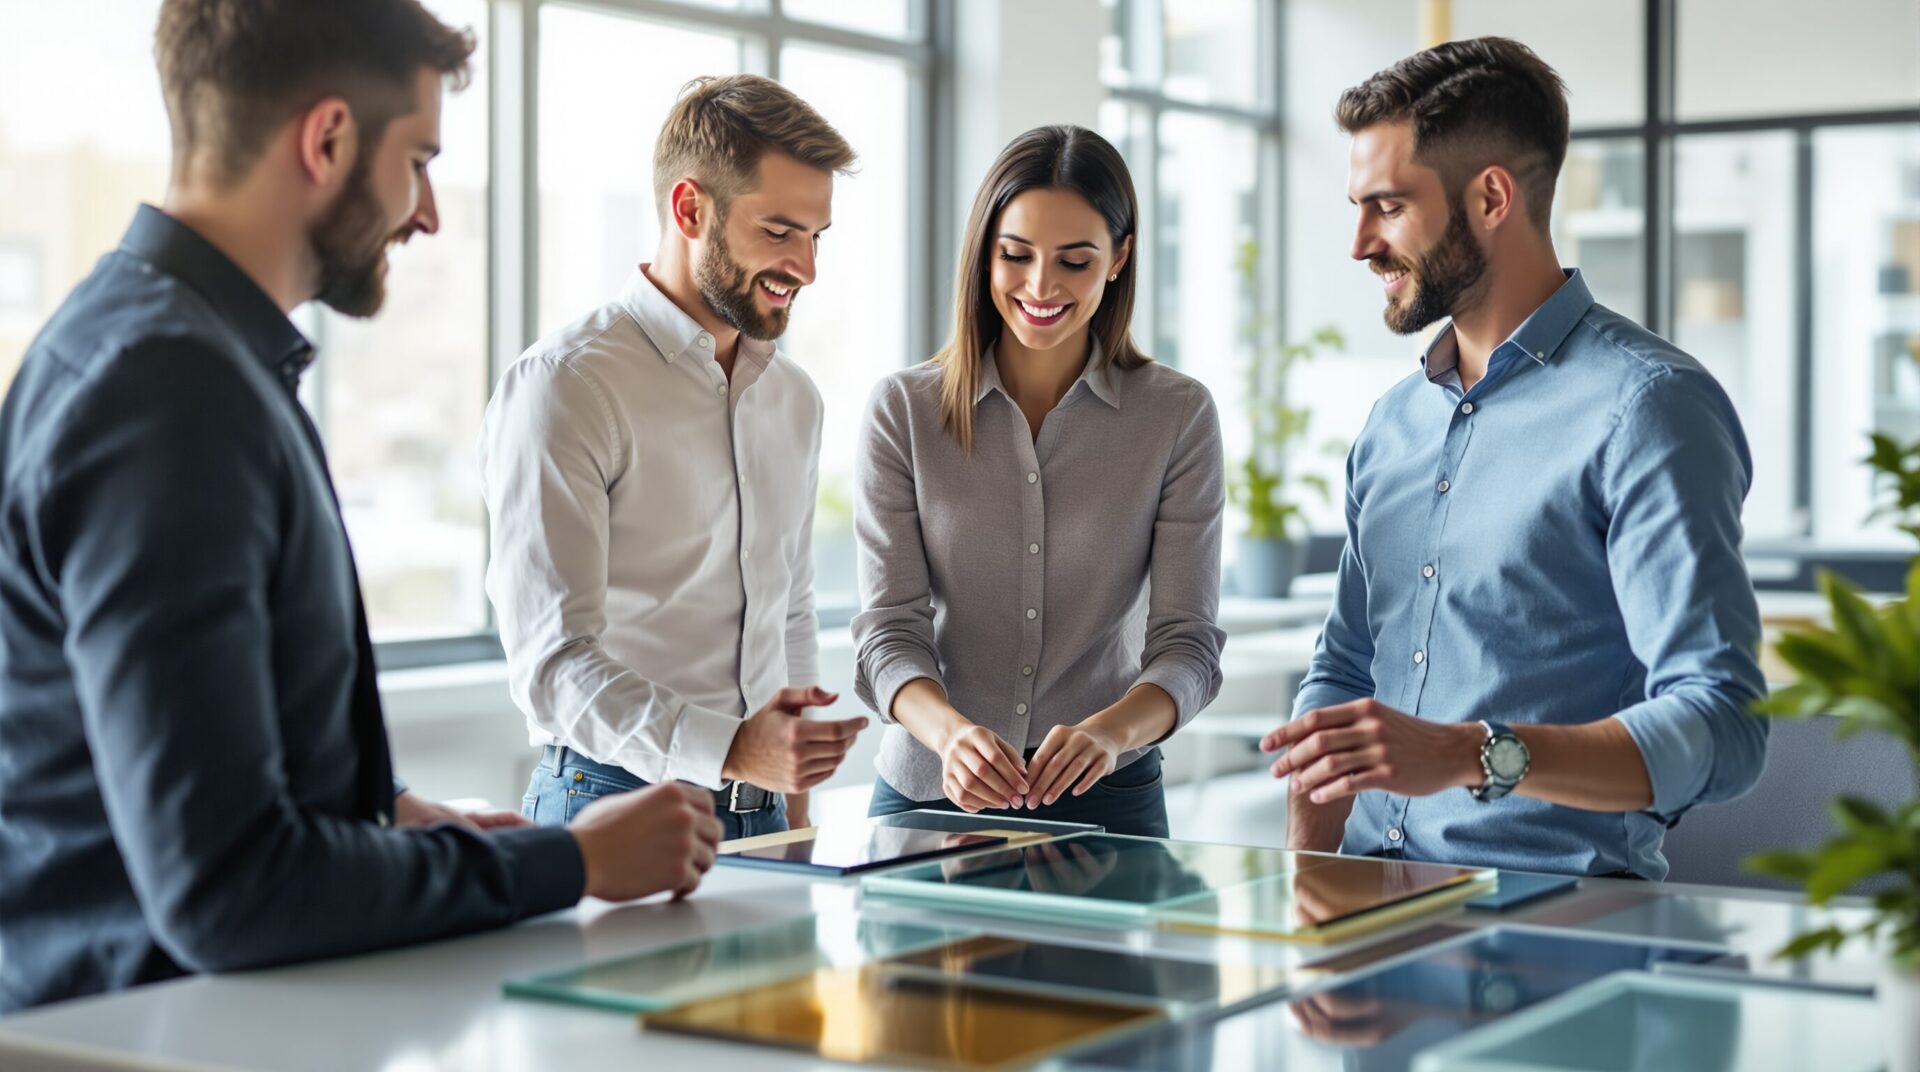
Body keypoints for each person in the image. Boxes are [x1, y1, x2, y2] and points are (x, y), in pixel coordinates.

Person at [0, 0, 724, 1014]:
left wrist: (392, 812)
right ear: (329, 138)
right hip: (142, 1031)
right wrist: (572, 861)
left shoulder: (148, 344)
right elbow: (225, 889)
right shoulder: (170, 388)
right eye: (419, 159)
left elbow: (172, 746)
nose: (428, 211)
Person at [1261, 37, 1768, 880]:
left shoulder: (1648, 409)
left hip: (1555, 933)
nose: (1359, 243)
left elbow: (1722, 723)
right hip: (1363, 931)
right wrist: (1305, 881)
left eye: (1386, 205)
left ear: (1491, 196)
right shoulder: (1392, 423)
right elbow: (1345, 668)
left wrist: (1475, 755)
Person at [482, 75, 866, 840]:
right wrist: (732, 749)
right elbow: (553, 668)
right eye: (781, 231)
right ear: (690, 209)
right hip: (609, 805)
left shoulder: (794, 397)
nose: (808, 268)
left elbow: (787, 606)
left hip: (762, 817)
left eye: (817, 237)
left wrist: (792, 808)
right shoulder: (566, 385)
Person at [853, 125, 1226, 838]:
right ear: (983, 254)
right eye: (1015, 255)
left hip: (1111, 800)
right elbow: (888, 631)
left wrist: (1112, 732)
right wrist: (950, 735)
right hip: (931, 796)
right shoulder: (903, 411)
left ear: (1120, 259)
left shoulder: (1176, 415)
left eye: (1075, 262)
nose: (1040, 287)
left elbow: (1187, 644)